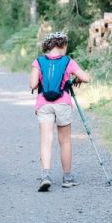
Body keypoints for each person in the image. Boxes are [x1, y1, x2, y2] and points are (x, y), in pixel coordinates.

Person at [29, 31, 91, 192]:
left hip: (44, 104)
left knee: (46, 140)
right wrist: (74, 78)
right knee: (65, 141)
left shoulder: (38, 62)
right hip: (62, 103)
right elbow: (86, 78)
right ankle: (67, 178)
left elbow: (33, 84)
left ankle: (45, 176)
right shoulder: (67, 61)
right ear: (62, 45)